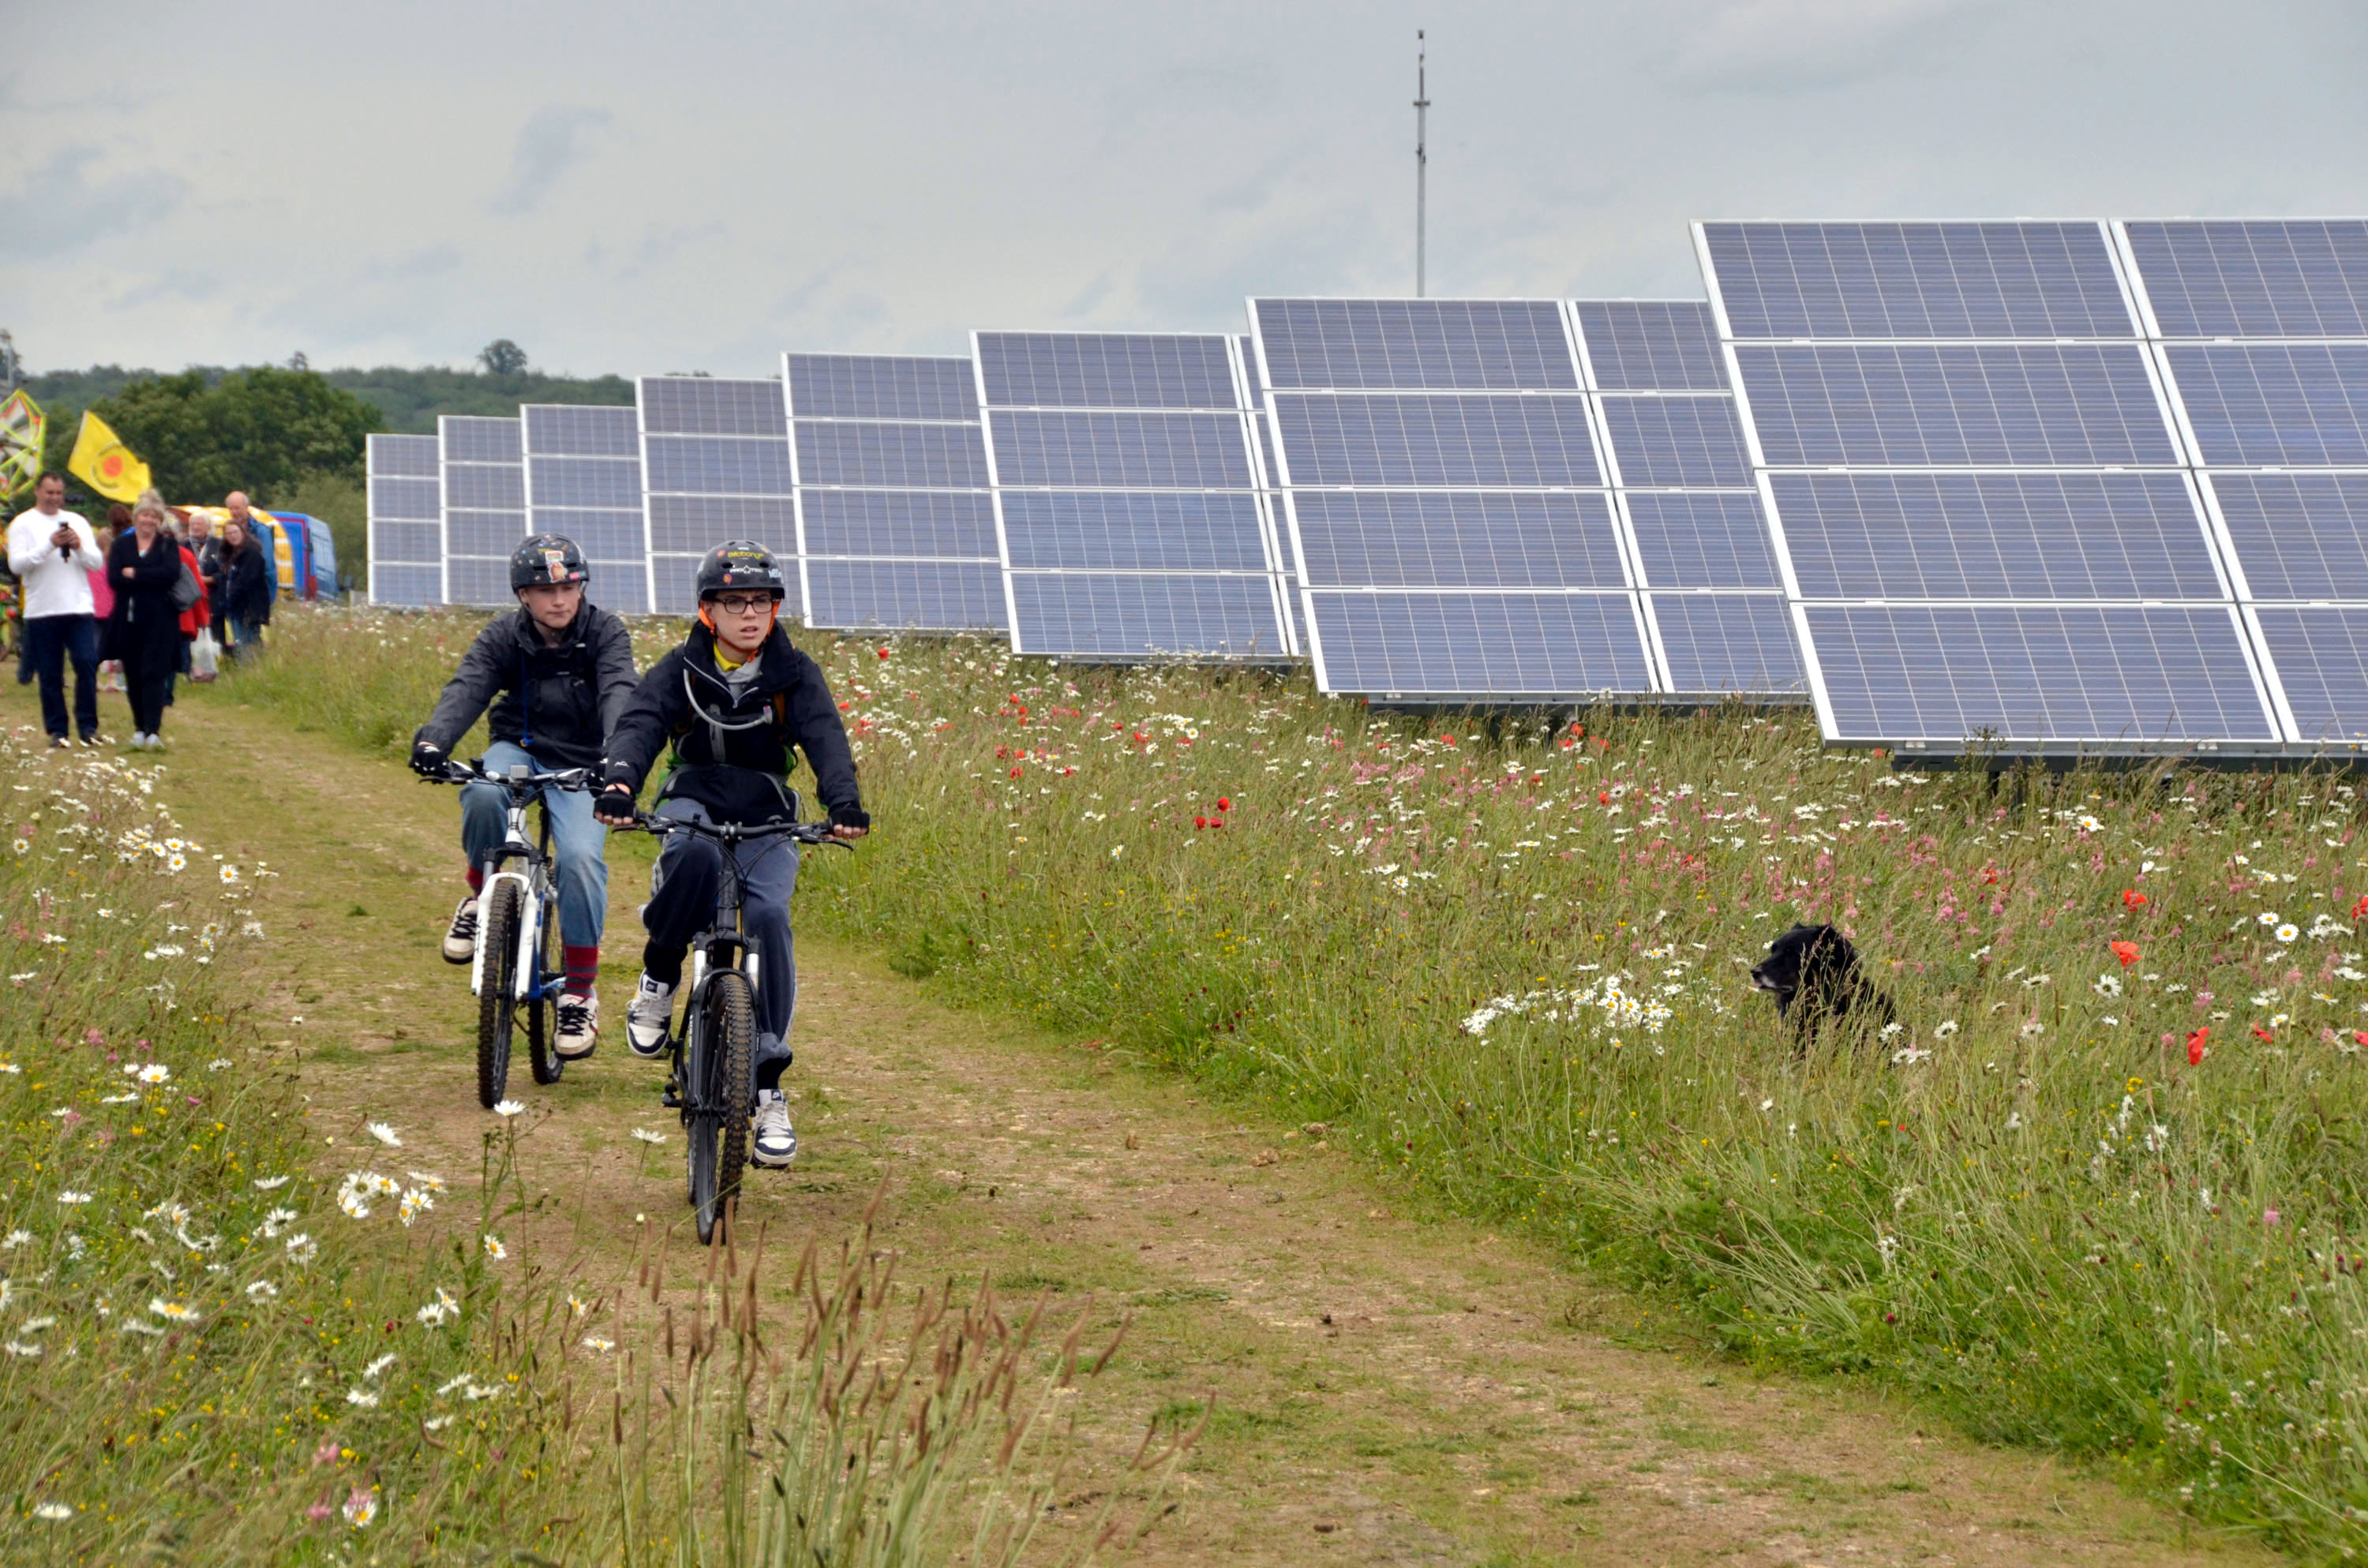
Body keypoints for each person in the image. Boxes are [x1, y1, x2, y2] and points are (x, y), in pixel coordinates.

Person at [594, 540, 869, 1168]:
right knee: (689, 858)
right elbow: (640, 724)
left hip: (767, 809)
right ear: (705, 610)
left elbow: (825, 737)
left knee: (770, 916)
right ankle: (660, 978)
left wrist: (844, 803)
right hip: (692, 796)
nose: (750, 613)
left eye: (763, 601)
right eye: (734, 601)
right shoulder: (680, 669)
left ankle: (769, 1086)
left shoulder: (793, 674)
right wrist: (618, 784)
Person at [410, 535, 639, 1061]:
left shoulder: (606, 632)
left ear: (582, 587)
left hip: (585, 758)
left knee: (580, 858)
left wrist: (617, 756)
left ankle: (579, 992)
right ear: (522, 595)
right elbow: (469, 686)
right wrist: (433, 740)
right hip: (520, 748)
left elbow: (619, 690)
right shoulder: (502, 636)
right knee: (484, 793)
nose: (559, 599)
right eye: (544, 589)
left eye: (568, 586)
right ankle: (479, 895)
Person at [6, 472, 105, 748]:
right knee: (50, 673)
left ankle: (88, 727)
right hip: (42, 609)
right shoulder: (22, 524)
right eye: (49, 492)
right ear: (38, 492)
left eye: (59, 493)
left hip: (78, 606)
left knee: (86, 663)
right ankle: (57, 730)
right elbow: (17, 565)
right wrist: (50, 544)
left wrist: (79, 546)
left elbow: (96, 562)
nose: (54, 498)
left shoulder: (79, 522)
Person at [104, 493, 185, 749]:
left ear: (159, 520)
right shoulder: (121, 545)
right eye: (144, 514)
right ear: (136, 516)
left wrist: (136, 573)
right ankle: (138, 728)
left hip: (160, 621)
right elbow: (115, 578)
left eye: (153, 516)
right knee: (134, 674)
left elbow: (170, 575)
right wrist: (149, 577)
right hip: (127, 619)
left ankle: (153, 731)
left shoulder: (167, 546)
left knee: (154, 673)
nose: (148, 520)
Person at [220, 515, 270, 657]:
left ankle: (253, 672)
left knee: (248, 644)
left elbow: (247, 580)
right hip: (234, 607)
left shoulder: (251, 552)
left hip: (249, 608)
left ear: (242, 532)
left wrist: (231, 597)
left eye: (235, 532)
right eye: (228, 533)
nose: (232, 536)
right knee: (240, 644)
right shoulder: (229, 554)